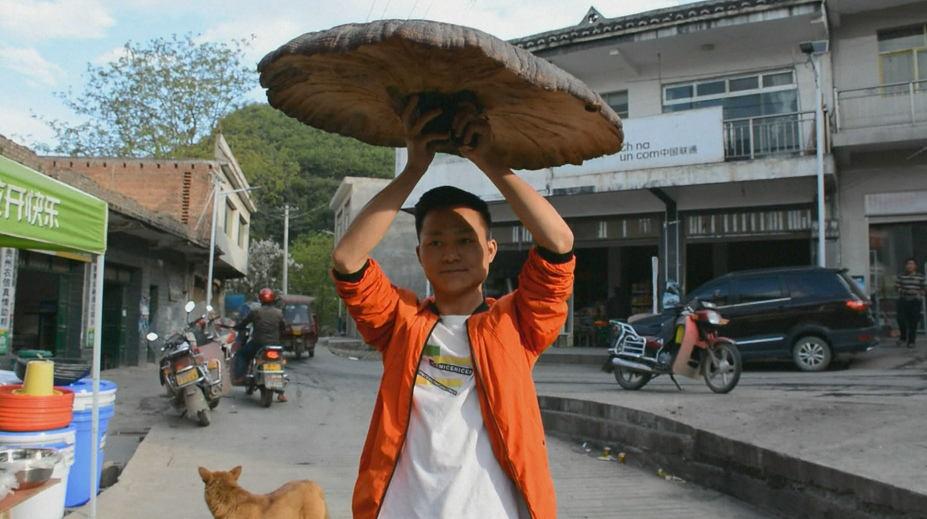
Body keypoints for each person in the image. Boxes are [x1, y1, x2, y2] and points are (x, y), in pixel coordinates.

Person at [331, 97, 574, 519]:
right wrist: (413, 171)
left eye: (465, 240)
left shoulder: (517, 324)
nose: (451, 254)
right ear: (420, 253)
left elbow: (559, 245)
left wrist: (493, 164)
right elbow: (347, 261)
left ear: (491, 250)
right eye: (436, 242)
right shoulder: (399, 321)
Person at [233, 288, 288, 402]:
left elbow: (244, 322)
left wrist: (238, 326)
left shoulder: (255, 311)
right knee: (279, 362)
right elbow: (284, 327)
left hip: (258, 344)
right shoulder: (278, 313)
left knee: (241, 354)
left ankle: (240, 376)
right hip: (274, 344)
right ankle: (281, 393)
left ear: (260, 298)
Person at [895, 257, 926, 348]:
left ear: (915, 266)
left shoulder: (920, 277)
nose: (909, 266)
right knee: (901, 320)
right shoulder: (901, 276)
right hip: (903, 301)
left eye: (912, 264)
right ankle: (903, 336)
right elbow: (897, 287)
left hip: (915, 302)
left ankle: (911, 341)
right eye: (908, 264)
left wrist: (919, 294)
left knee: (913, 322)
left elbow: (924, 288)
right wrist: (904, 292)